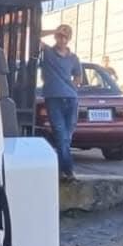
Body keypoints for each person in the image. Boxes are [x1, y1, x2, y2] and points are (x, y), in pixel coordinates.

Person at [40, 24, 85, 181]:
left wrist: (73, 85)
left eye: (65, 36)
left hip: (71, 99)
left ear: (69, 39)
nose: (62, 39)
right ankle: (69, 171)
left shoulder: (73, 58)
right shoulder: (47, 52)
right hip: (53, 98)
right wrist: (54, 29)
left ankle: (60, 170)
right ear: (56, 37)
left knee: (67, 137)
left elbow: (79, 76)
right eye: (60, 36)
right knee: (60, 134)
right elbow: (35, 35)